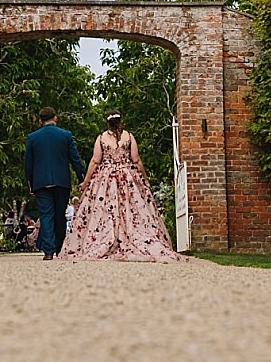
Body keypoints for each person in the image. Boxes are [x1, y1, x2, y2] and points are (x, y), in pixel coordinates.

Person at [58, 110, 186, 263]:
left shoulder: (101, 138)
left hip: (105, 179)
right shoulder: (129, 137)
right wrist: (145, 179)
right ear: (121, 120)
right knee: (132, 209)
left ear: (108, 122)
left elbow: (95, 161)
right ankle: (130, 237)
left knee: (104, 210)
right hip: (128, 177)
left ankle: (107, 238)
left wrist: (85, 183)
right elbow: (136, 160)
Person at [23, 105, 86, 260]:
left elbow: (28, 163)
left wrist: (30, 181)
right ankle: (59, 247)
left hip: (41, 181)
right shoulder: (66, 135)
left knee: (46, 214)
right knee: (60, 215)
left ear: (40, 120)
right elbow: (75, 159)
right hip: (61, 180)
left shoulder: (33, 138)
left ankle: (48, 250)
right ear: (55, 118)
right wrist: (82, 178)